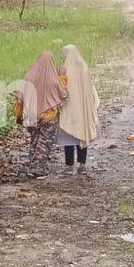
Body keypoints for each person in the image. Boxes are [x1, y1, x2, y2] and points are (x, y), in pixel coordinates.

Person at [15, 52, 69, 178]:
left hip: (31, 115)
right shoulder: (54, 79)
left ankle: (32, 165)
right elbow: (64, 94)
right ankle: (38, 169)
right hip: (48, 116)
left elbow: (20, 94)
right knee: (44, 142)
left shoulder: (29, 76)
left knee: (34, 140)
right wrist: (63, 77)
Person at [57, 45, 100, 175]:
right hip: (82, 109)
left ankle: (69, 165)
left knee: (69, 137)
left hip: (69, 110)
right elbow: (91, 90)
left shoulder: (65, 71)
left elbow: (61, 89)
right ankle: (82, 163)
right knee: (82, 133)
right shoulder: (84, 69)